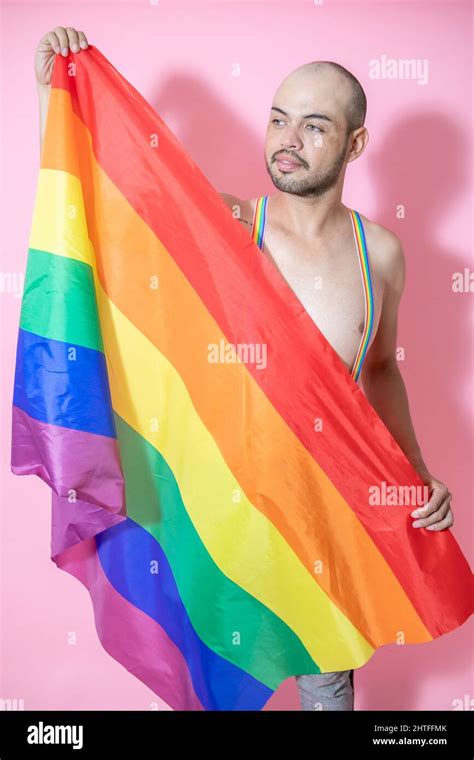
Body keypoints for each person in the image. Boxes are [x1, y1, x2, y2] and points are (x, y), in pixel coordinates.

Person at [34, 28, 455, 712]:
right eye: (278, 118)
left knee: (330, 684)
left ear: (354, 146)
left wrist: (415, 473)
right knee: (213, 682)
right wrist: (63, 92)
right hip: (221, 518)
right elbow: (115, 200)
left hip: (328, 515)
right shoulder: (228, 227)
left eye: (315, 125)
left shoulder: (381, 255)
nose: (288, 137)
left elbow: (379, 371)